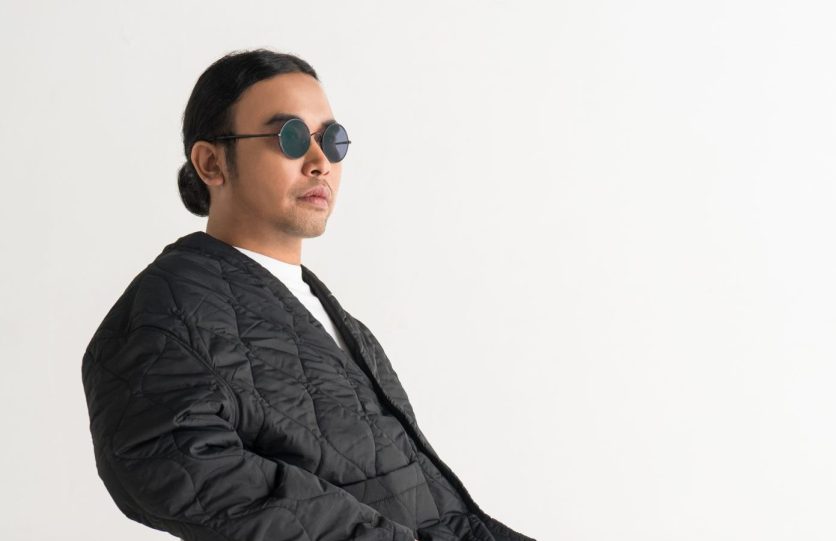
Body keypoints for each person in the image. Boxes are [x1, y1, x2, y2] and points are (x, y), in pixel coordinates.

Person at [81, 48, 534, 541]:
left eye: (332, 141)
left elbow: (422, 499)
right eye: (291, 137)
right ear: (212, 163)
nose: (320, 163)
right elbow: (176, 465)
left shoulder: (330, 315)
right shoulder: (168, 308)